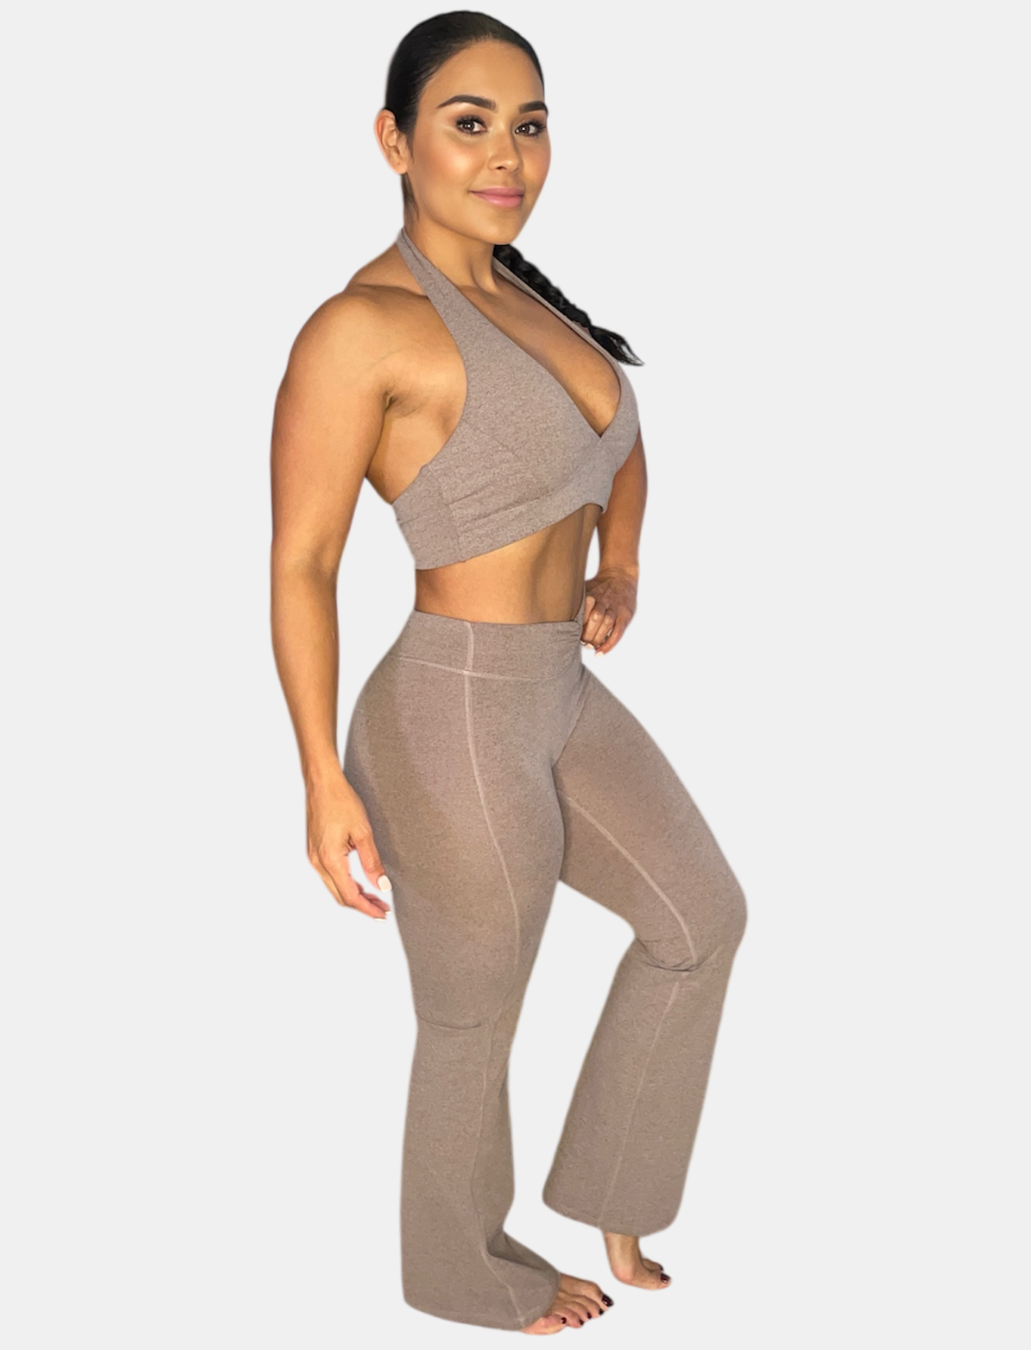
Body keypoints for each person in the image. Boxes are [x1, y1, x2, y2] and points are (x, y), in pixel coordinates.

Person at [269, 11, 748, 1336]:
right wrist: (318, 775)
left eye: (528, 125)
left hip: (559, 692)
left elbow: (621, 442)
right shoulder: (359, 329)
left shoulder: (531, 302)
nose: (506, 155)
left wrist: (622, 566)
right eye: (469, 123)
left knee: (701, 917)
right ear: (394, 141)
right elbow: (304, 562)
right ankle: (461, 1270)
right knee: (475, 1014)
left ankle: (615, 1189)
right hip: (451, 706)